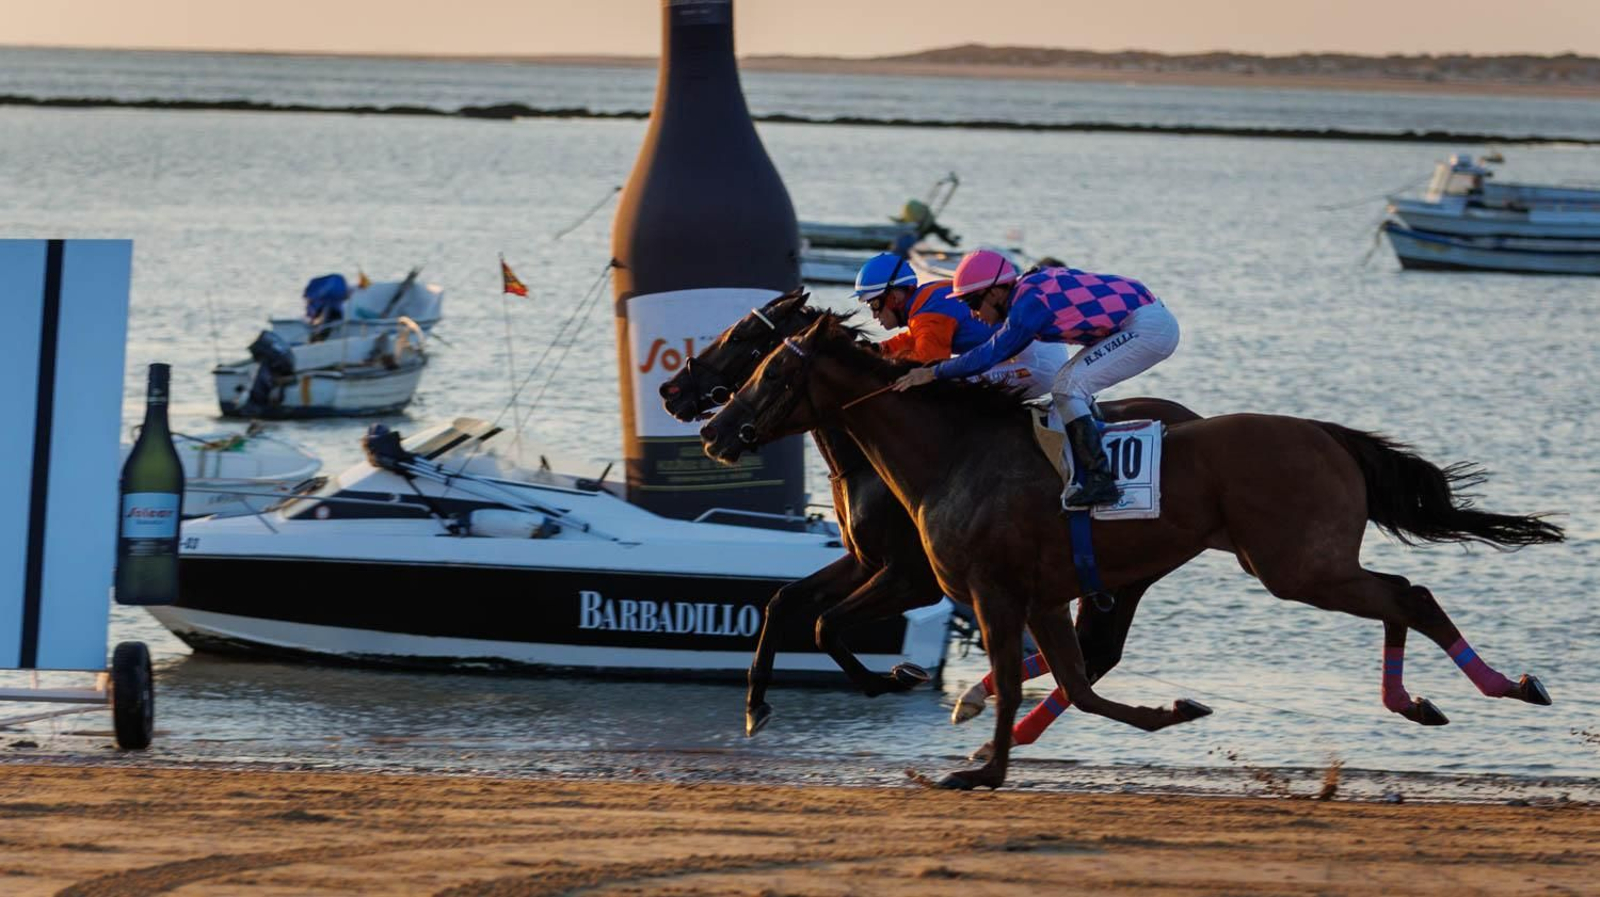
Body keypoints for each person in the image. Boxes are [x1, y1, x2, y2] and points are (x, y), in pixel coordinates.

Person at [892, 249, 1179, 509]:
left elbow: (990, 354)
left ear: (994, 293)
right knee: (1066, 382)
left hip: (1148, 327)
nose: (972, 313)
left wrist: (932, 372)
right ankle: (1105, 448)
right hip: (1141, 319)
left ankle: (1100, 480)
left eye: (972, 302)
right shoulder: (1025, 291)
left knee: (1068, 387)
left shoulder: (1029, 304)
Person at [850, 252, 996, 364]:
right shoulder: (926, 297)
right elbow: (916, 338)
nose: (875, 315)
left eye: (874, 304)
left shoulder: (929, 313)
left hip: (1012, 353)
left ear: (895, 296)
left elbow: (926, 362)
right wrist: (880, 350)